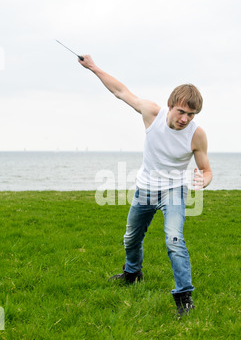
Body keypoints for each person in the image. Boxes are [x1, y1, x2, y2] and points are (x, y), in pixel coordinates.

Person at [78, 55, 213, 318]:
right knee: (131, 238)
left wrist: (204, 180)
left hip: (174, 191)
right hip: (145, 189)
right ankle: (132, 274)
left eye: (191, 114)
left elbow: (206, 169)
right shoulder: (152, 113)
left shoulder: (197, 134)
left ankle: (184, 296)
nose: (185, 118)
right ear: (171, 105)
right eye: (181, 111)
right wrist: (93, 67)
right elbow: (120, 91)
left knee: (174, 239)